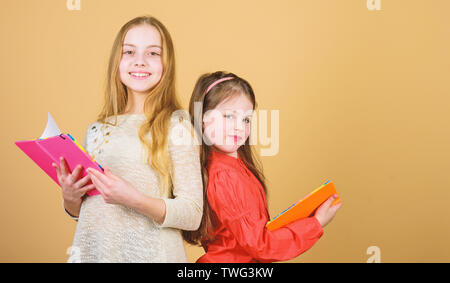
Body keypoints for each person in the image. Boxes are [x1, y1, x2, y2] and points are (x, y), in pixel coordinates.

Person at [52, 16, 203, 262]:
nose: (140, 61)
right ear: (117, 61)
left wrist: (135, 200)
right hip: (97, 254)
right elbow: (90, 211)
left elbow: (192, 213)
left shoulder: (177, 125)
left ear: (167, 63)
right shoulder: (97, 130)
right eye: (129, 51)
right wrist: (70, 198)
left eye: (153, 53)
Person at [185, 71, 342, 263]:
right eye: (228, 116)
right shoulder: (225, 175)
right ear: (203, 119)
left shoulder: (234, 166)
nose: (239, 127)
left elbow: (257, 234)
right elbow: (260, 245)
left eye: (246, 119)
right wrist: (315, 223)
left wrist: (302, 216)